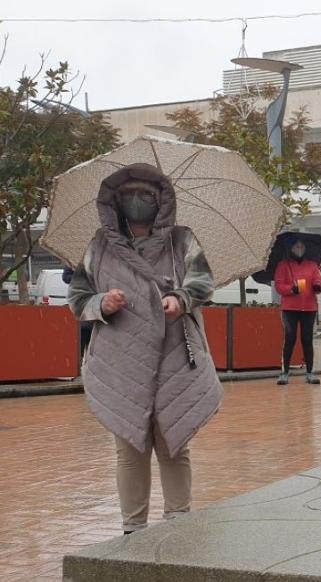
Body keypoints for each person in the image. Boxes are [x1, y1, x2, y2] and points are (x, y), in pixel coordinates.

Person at [67, 163, 223, 535]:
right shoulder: (99, 246)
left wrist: (181, 299)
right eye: (128, 195)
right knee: (129, 448)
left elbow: (204, 282)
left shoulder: (182, 240)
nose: (137, 201)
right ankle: (132, 528)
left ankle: (179, 521)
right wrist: (101, 303)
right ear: (114, 201)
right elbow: (77, 298)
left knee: (174, 441)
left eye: (146, 195)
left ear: (161, 200)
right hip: (120, 359)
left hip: (175, 354)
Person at [273, 239, 321, 385]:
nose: (299, 248)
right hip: (290, 308)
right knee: (290, 338)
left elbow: (317, 280)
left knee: (307, 340)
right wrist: (291, 289)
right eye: (296, 246)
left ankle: (310, 371)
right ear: (291, 248)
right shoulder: (283, 265)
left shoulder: (312, 265)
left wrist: (317, 286)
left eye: (302, 246)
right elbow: (279, 286)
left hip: (309, 307)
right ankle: (285, 372)